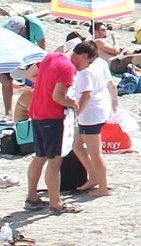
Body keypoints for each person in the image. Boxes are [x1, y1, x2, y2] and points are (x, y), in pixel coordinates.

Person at [25, 36, 80, 213]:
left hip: (37, 112)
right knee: (54, 160)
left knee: (39, 156)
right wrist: (73, 103)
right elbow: (58, 97)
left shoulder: (50, 57)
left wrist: (45, 85)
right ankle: (56, 203)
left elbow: (30, 74)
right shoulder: (67, 67)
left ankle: (32, 197)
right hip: (52, 116)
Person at [69, 41, 114, 199]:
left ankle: (103, 188)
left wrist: (77, 113)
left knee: (95, 152)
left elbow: (87, 94)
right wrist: (115, 103)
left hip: (91, 112)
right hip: (102, 106)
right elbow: (111, 84)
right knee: (77, 145)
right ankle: (94, 176)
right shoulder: (100, 62)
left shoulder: (84, 70)